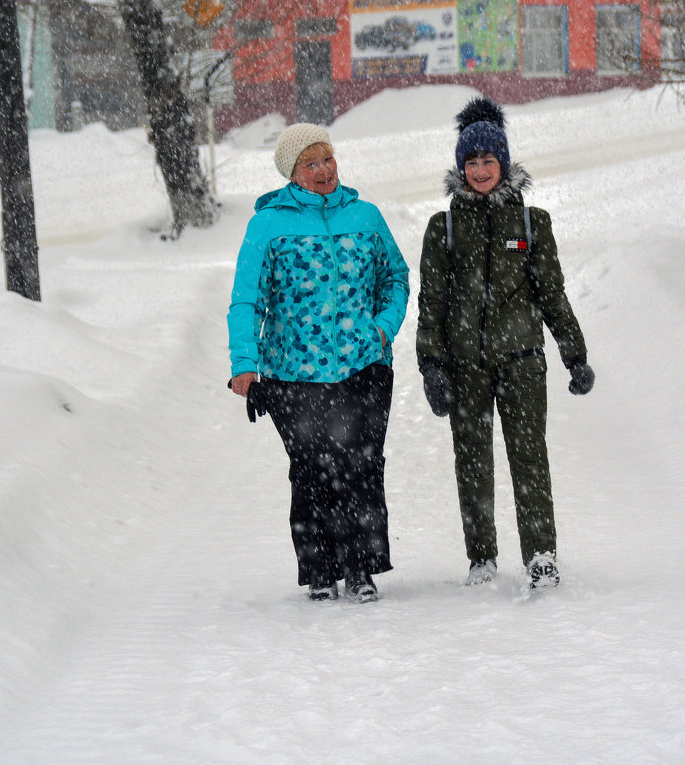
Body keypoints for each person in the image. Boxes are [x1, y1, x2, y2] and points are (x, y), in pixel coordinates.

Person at [415, 98, 594, 590]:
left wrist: (573, 354)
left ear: (504, 162)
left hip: (521, 362)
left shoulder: (532, 224)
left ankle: (540, 554)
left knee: (529, 457)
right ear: (460, 167)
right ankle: (482, 558)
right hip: (465, 365)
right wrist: (432, 365)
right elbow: (431, 301)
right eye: (470, 163)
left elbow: (552, 294)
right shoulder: (443, 228)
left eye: (488, 161)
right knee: (472, 461)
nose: (479, 170)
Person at [228, 123, 410, 603]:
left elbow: (396, 277)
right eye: (310, 163)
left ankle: (361, 568)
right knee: (311, 469)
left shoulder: (366, 215)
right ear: (292, 172)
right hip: (294, 372)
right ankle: (322, 570)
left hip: (363, 366)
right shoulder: (267, 224)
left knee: (361, 467)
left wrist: (382, 329)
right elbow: (247, 299)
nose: (323, 170)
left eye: (327, 159)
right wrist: (244, 363)